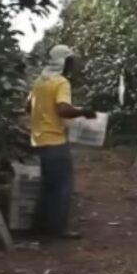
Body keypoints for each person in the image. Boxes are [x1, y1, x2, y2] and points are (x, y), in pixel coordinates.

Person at [26, 45, 96, 239]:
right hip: (55, 140)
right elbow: (63, 110)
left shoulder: (40, 81)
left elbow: (27, 106)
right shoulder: (61, 82)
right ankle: (58, 229)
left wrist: (42, 116)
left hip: (39, 139)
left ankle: (39, 228)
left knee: (47, 186)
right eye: (70, 62)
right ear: (64, 63)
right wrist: (84, 112)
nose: (72, 66)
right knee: (63, 186)